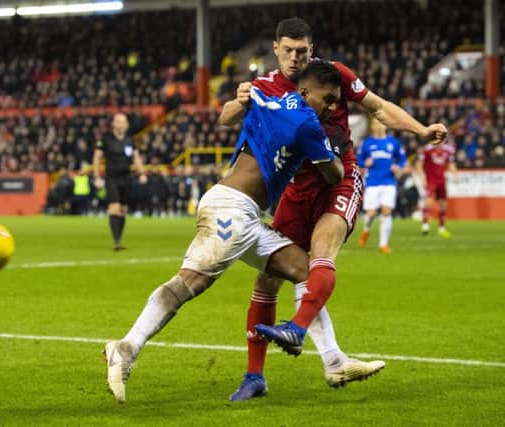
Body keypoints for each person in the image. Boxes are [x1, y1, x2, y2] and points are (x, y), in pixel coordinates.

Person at [219, 17, 448, 400]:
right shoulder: (264, 87)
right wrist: (239, 100)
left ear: (312, 49)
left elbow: (378, 107)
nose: (295, 58)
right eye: (288, 51)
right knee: (267, 280)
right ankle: (254, 376)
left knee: (322, 252)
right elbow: (227, 118)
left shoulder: (333, 74)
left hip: (339, 177)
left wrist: (421, 130)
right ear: (275, 49)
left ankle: (298, 328)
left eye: (302, 51)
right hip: (294, 187)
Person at [105, 61, 344, 403]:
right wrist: (336, 151)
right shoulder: (307, 122)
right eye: (328, 99)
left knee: (303, 269)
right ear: (305, 93)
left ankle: (333, 359)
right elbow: (334, 177)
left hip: (240, 210)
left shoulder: (268, 97)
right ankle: (127, 348)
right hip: (231, 208)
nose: (332, 107)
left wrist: (241, 95)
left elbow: (227, 115)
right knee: (191, 282)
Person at [92, 113, 147, 250]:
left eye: (124, 122)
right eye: (119, 121)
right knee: (114, 208)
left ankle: (119, 240)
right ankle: (116, 241)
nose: (122, 124)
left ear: (127, 125)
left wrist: (142, 173)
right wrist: (97, 177)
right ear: (114, 124)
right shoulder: (105, 139)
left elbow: (136, 158)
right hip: (112, 177)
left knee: (123, 210)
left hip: (126, 177)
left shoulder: (130, 140)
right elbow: (97, 158)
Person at [357, 117, 407, 253]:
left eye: (381, 123)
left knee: (386, 211)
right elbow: (358, 159)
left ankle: (383, 244)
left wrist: (398, 167)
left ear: (385, 126)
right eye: (375, 123)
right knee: (371, 214)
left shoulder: (393, 142)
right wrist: (363, 163)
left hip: (389, 181)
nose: (379, 126)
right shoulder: (366, 143)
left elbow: (402, 158)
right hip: (372, 181)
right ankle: (366, 230)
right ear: (372, 126)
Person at [417, 140, 457, 237]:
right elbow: (419, 164)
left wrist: (455, 173)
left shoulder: (448, 150)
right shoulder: (427, 149)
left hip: (441, 180)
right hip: (431, 180)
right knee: (428, 202)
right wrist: (422, 177)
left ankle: (441, 228)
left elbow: (451, 163)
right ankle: (425, 225)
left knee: (443, 204)